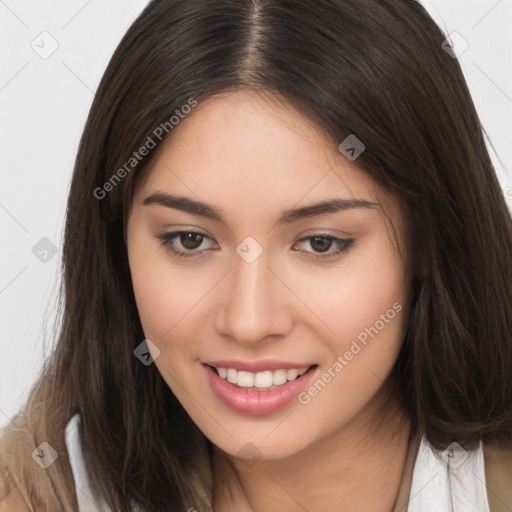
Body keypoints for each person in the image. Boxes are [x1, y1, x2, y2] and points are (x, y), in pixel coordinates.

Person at [1, 0, 511, 510]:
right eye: (190, 239)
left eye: (321, 243)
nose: (248, 322)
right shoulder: (31, 490)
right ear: (118, 242)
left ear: (429, 238)